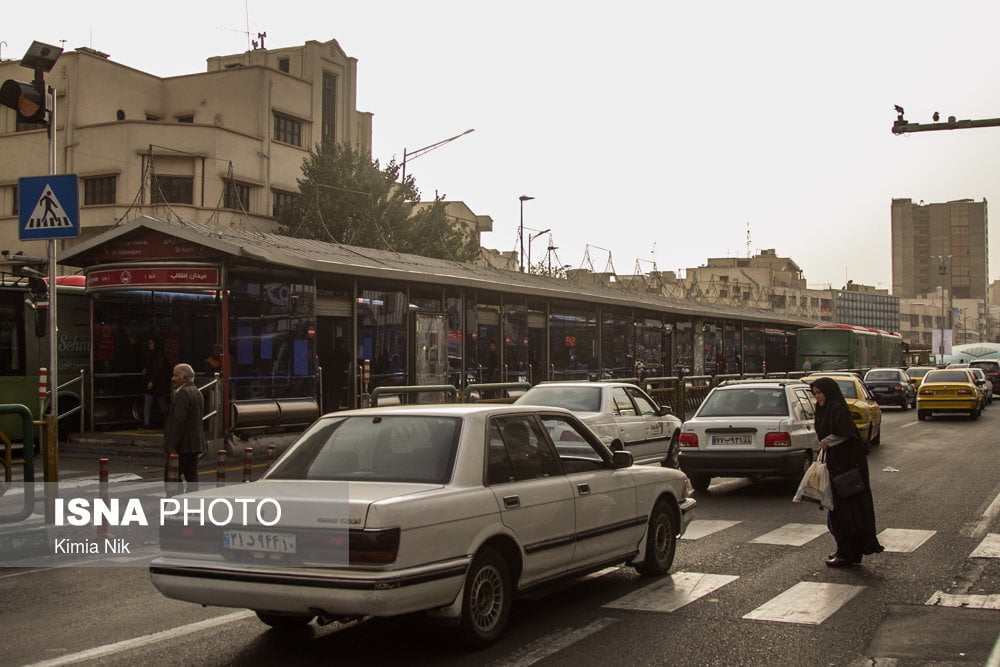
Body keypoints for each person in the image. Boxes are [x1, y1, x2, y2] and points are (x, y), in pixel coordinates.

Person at [811, 377, 884, 567]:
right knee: (838, 511)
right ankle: (846, 550)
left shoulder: (837, 408)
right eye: (815, 393)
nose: (817, 397)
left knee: (847, 512)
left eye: (820, 393)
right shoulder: (826, 408)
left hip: (847, 468)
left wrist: (828, 441)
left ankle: (848, 552)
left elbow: (845, 433)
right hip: (837, 465)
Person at [163, 363, 207, 489]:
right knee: (192, 477)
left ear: (185, 378)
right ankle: (192, 506)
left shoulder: (183, 394)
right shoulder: (196, 392)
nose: (173, 378)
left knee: (171, 477)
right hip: (194, 444)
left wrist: (173, 445)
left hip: (183, 446)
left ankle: (173, 505)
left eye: (176, 376)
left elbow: (179, 422)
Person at [142, 339, 171, 429]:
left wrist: (152, 381)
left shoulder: (158, 356)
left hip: (157, 384)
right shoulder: (155, 355)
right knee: (152, 403)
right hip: (156, 384)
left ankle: (148, 423)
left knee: (159, 404)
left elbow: (157, 370)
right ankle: (147, 423)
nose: (149, 345)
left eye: (151, 343)